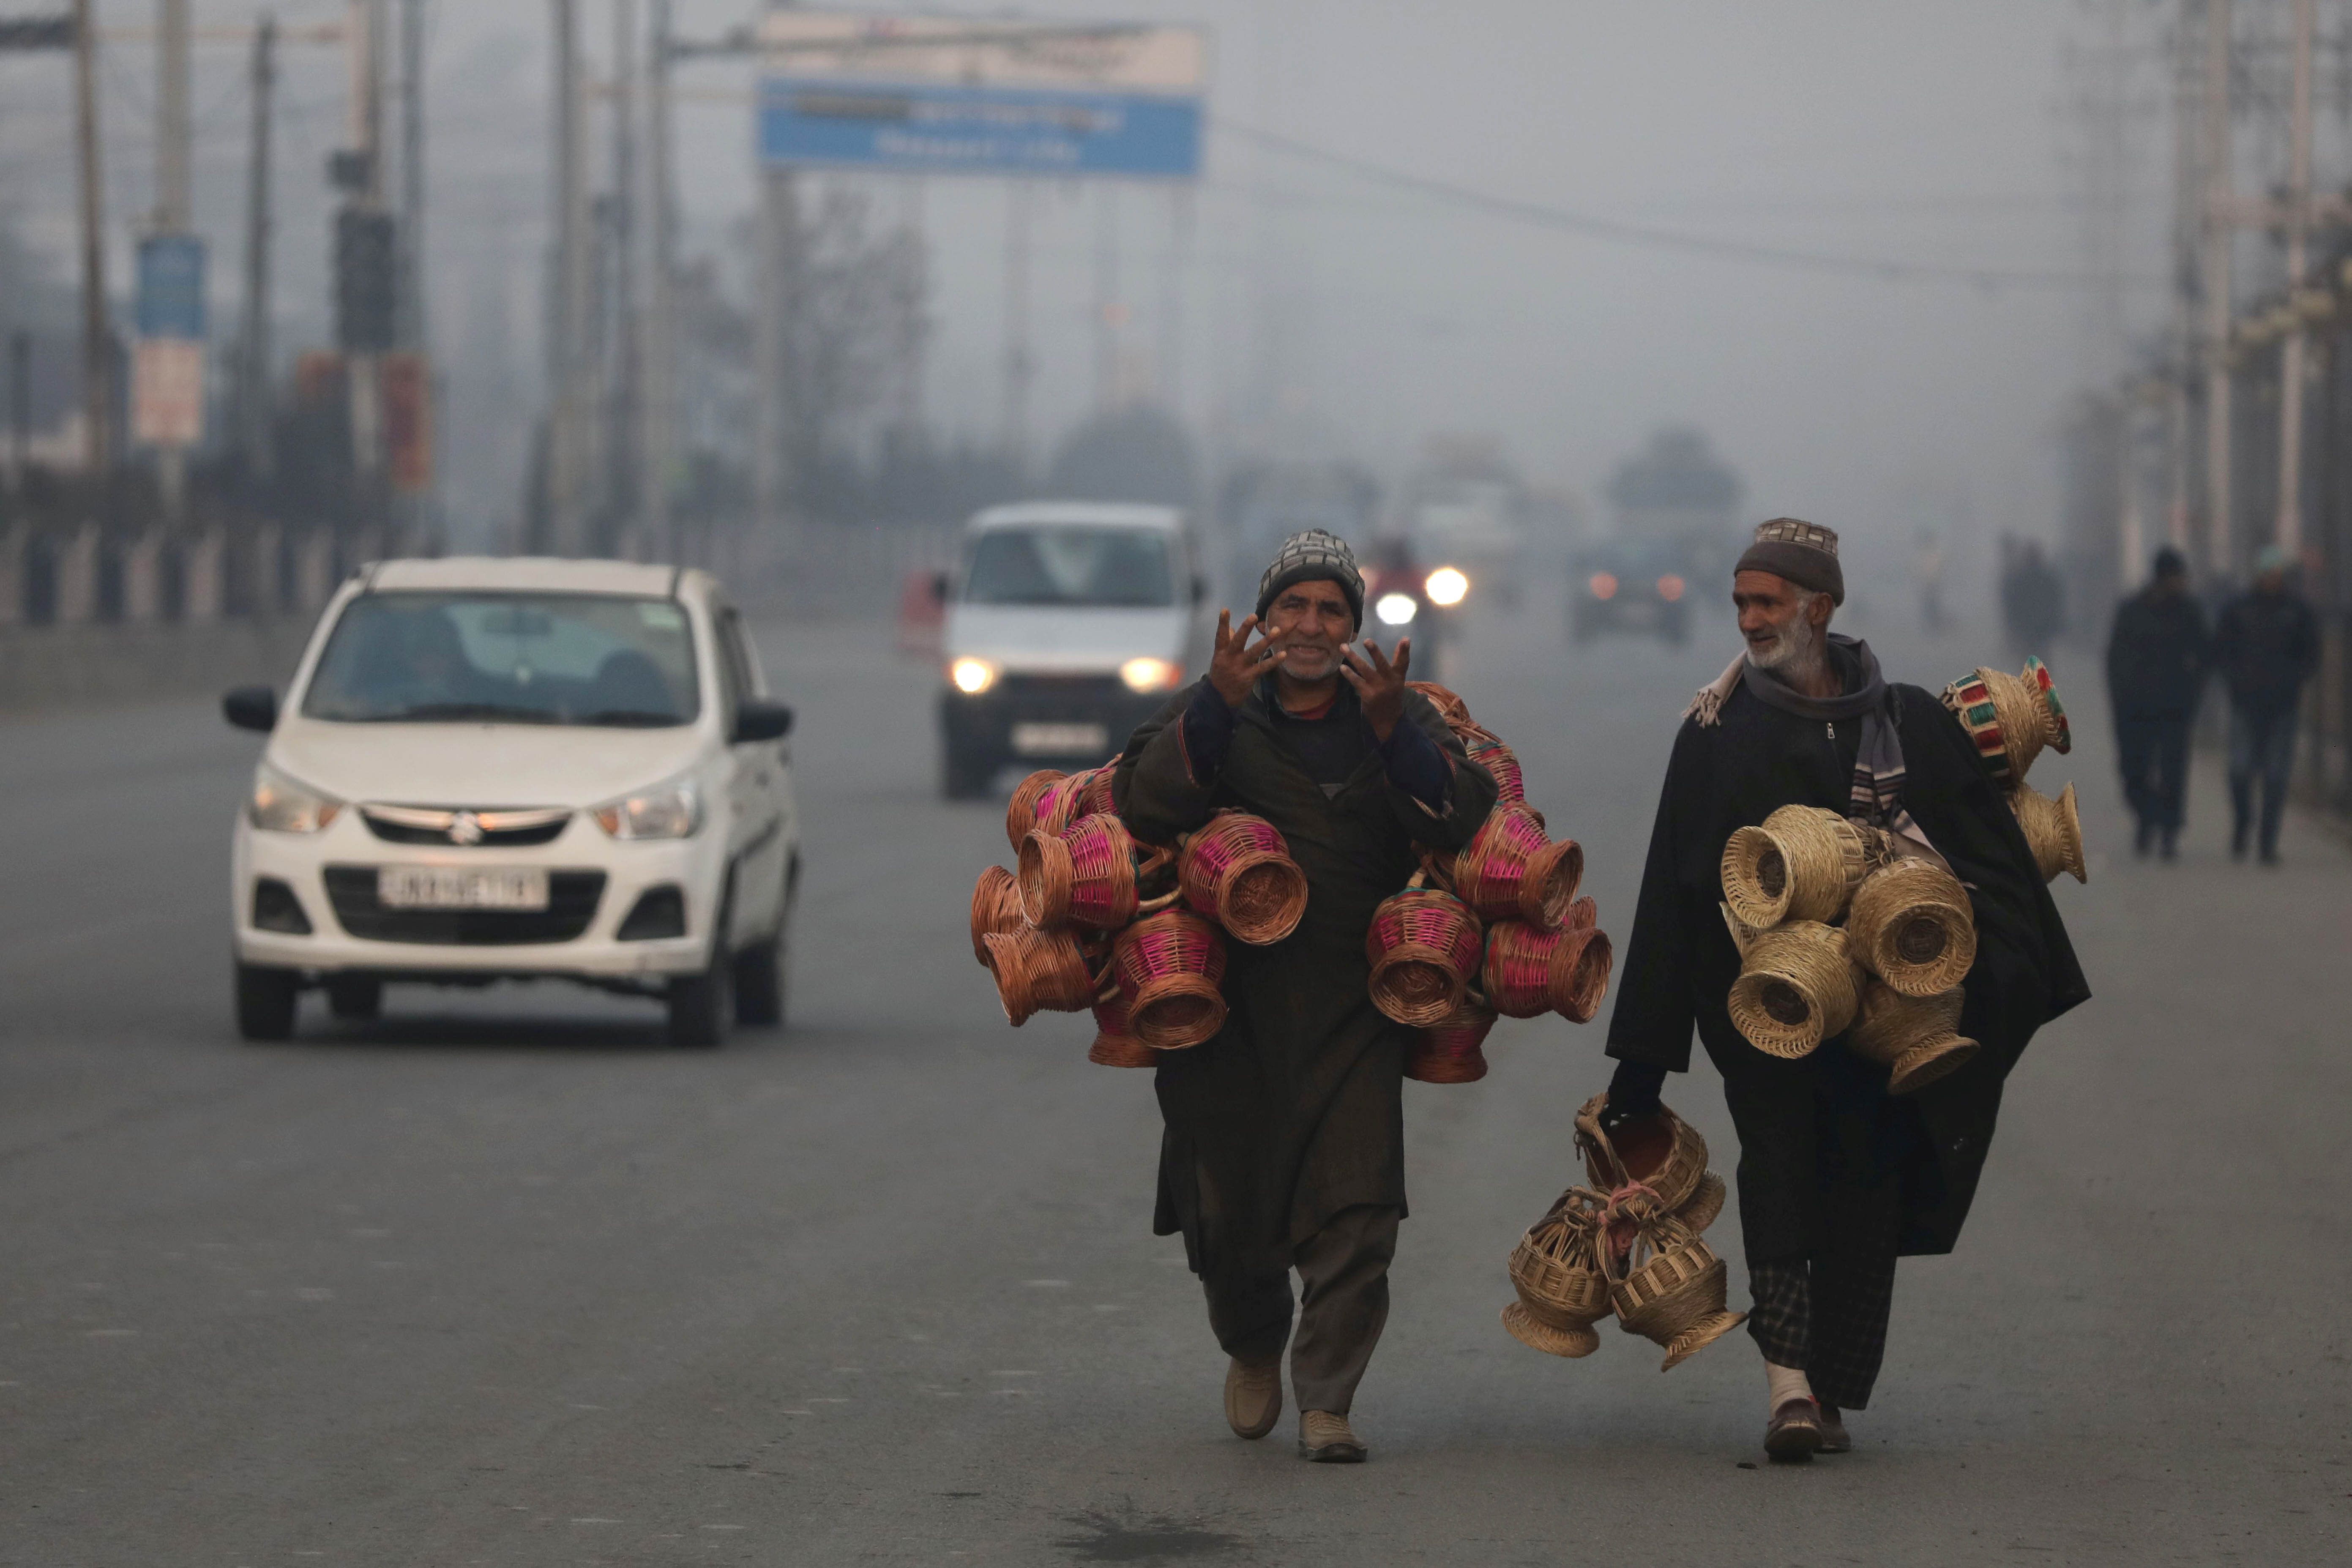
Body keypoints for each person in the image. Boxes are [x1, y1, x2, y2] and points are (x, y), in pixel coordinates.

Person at [1600, 518, 2088, 1463]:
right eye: (1741, 602)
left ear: (1818, 610)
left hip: (1886, 1019)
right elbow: (1670, 890)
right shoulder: (1715, 731)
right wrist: (1640, 1069)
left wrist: (1939, 954)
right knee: (1778, 1162)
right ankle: (1785, 1386)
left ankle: (1827, 1387)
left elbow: (1991, 868)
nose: (1748, 620)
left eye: (1767, 603)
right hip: (1763, 1008)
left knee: (1865, 1180)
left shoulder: (1908, 721)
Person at [1112, 529, 1498, 1464]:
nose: (1311, 625)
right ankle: (1252, 1342)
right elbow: (1142, 805)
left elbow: (1468, 813)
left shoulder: (1395, 720)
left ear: (1355, 628)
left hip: (1352, 1006)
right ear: (1263, 616)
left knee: (1358, 1208)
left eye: (1331, 610)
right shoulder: (1216, 712)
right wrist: (1214, 707)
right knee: (1226, 1211)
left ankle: (1326, 1398)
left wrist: (1389, 730)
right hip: (1223, 1014)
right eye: (1294, 605)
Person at [2212, 544, 2320, 864]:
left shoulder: (2297, 611)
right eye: (2268, 574)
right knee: (2239, 771)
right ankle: (2243, 821)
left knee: (2275, 777)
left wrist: (2294, 678)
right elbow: (2222, 649)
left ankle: (2267, 842)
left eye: (2277, 575)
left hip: (2283, 705)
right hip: (2245, 703)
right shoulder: (2238, 608)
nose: (2273, 580)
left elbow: (2310, 653)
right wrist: (2234, 679)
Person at [2104, 546, 2208, 859]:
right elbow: (2115, 656)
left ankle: (2168, 832)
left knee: (2173, 773)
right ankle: (2147, 817)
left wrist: (2193, 694)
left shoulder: (2189, 611)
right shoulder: (2132, 609)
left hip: (2175, 705)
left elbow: (2203, 655)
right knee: (2132, 771)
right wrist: (2118, 695)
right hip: (2134, 706)